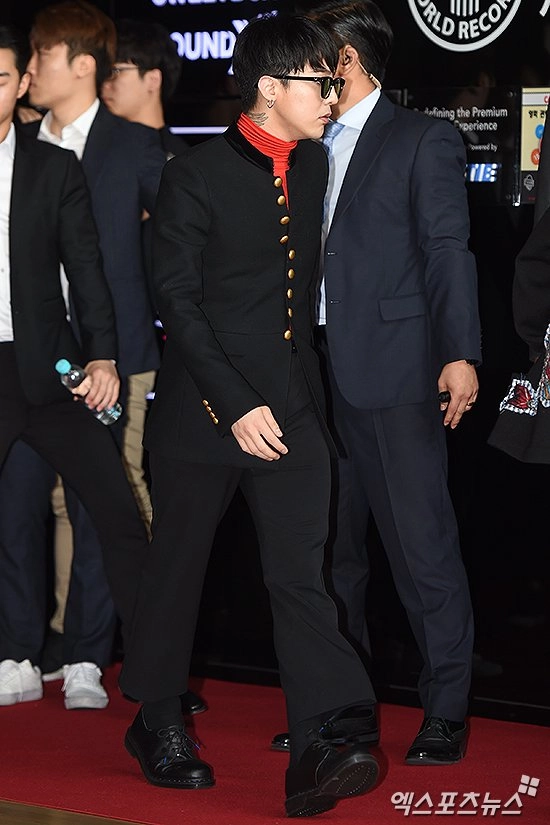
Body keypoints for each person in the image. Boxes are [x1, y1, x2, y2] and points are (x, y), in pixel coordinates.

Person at [118, 12, 380, 818]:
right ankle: (157, 718)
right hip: (205, 412)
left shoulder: (312, 164)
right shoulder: (194, 175)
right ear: (269, 88)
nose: (332, 97)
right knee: (178, 572)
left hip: (292, 406)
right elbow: (179, 303)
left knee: (302, 572)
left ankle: (323, 739)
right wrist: (233, 403)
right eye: (320, 82)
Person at [271, 0, 481, 765]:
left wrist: (459, 352)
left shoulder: (422, 137)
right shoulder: (303, 145)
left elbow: (447, 248)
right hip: (312, 373)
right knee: (330, 555)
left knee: (421, 546)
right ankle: (341, 708)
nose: (300, 72)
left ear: (346, 61)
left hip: (395, 369)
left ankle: (446, 707)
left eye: (312, 57)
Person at [0, 0, 165, 707]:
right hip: (26, 361)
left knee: (104, 507)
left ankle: (100, 658)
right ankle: (27, 648)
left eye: (39, 55)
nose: (30, 70)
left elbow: (149, 249)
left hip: (99, 360)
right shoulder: (27, 139)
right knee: (21, 506)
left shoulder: (125, 148)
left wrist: (113, 351)